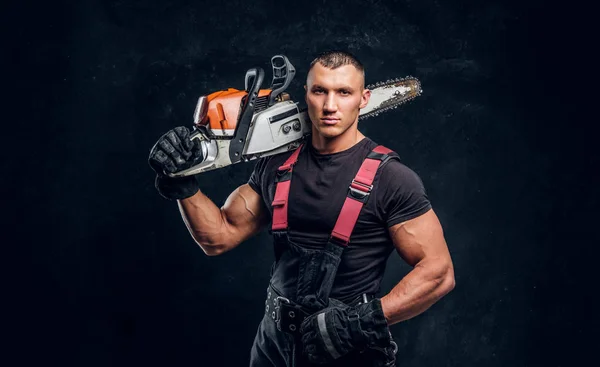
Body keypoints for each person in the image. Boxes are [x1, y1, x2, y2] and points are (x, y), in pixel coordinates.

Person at [148, 51, 455, 366]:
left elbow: (438, 273)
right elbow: (219, 236)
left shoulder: (392, 178)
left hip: (343, 346)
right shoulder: (278, 165)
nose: (329, 105)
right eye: (320, 91)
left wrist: (362, 323)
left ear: (363, 99)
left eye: (343, 92)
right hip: (273, 344)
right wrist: (183, 186)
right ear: (305, 94)